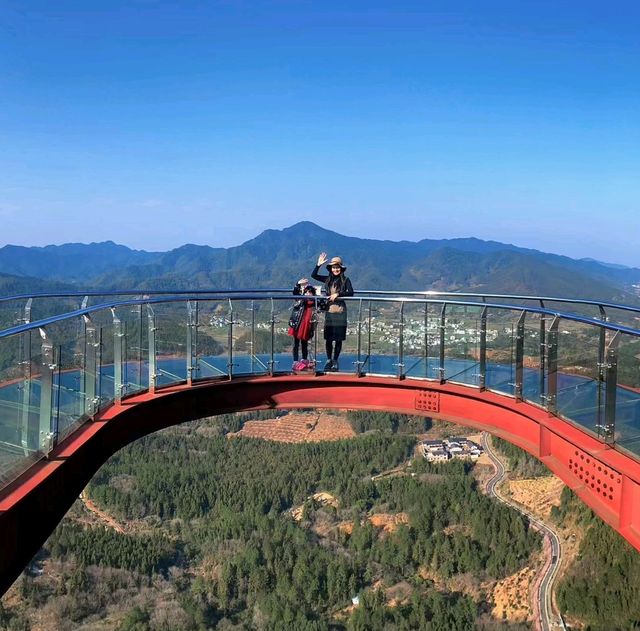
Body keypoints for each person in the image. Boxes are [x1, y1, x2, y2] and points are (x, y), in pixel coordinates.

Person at [311, 252, 354, 371]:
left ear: (341, 269)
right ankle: (329, 359)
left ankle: (335, 360)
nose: (336, 269)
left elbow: (351, 293)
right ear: (331, 269)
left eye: (337, 267)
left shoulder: (346, 280)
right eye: (334, 267)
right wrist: (318, 264)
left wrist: (338, 294)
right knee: (329, 338)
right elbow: (313, 275)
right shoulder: (327, 279)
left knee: (339, 339)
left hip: (340, 312)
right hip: (329, 311)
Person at [287, 278, 316, 366]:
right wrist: (298, 284)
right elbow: (295, 293)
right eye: (306, 292)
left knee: (304, 343)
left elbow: (322, 305)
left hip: (307, 325)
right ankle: (295, 361)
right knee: (296, 343)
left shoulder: (315, 302)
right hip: (298, 323)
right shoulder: (300, 300)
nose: (308, 294)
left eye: (310, 292)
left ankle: (304, 359)